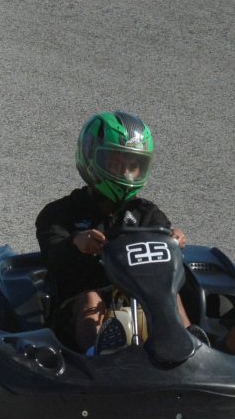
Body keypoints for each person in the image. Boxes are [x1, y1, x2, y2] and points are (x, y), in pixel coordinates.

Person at [36, 111, 200, 352]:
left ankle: (190, 347)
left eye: (133, 165)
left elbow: (166, 264)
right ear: (91, 157)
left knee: (171, 296)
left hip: (140, 298)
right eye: (116, 163)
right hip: (77, 309)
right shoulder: (60, 213)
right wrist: (75, 243)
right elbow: (51, 255)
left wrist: (173, 241)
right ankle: (96, 352)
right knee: (90, 299)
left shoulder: (147, 214)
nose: (125, 172)